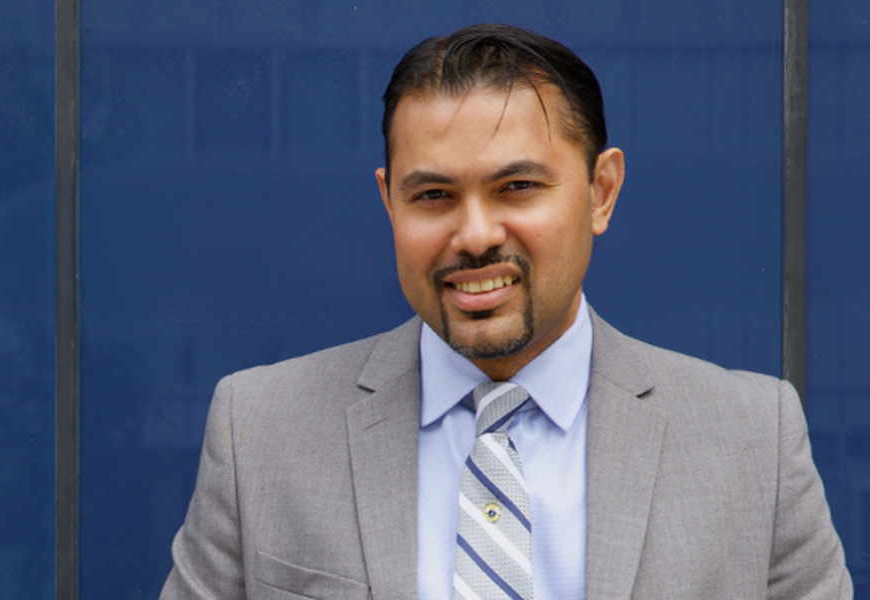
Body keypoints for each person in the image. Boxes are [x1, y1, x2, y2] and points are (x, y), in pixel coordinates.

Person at [160, 24, 851, 599]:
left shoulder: (753, 441)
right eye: (432, 196)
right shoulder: (259, 434)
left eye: (517, 187)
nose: (476, 234)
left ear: (600, 191)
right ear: (388, 203)